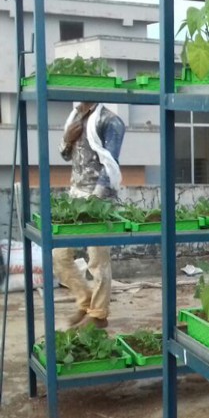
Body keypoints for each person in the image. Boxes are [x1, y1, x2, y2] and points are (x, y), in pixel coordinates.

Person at [53, 101, 126, 329]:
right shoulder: (75, 117)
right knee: (59, 254)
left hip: (98, 200)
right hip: (75, 198)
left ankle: (98, 314)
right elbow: (66, 155)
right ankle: (85, 302)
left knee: (98, 260)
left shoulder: (110, 121)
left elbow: (110, 164)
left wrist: (96, 202)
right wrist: (66, 138)